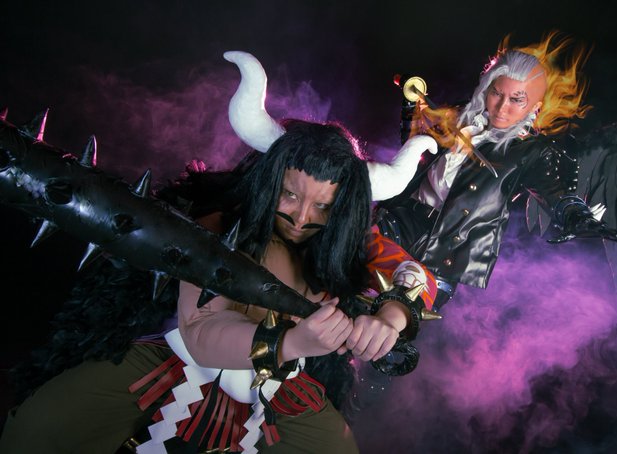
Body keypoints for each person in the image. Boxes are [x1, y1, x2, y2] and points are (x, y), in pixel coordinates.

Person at [0, 53, 439, 453]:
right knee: (40, 432)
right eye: (289, 194)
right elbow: (201, 332)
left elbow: (413, 273)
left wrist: (391, 317)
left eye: (323, 206)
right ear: (269, 181)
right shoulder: (219, 225)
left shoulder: (351, 243)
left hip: (277, 390)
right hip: (178, 363)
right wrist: (292, 342)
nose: (302, 216)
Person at [373, 32, 617, 310]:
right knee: (346, 293)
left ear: (534, 107)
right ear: (486, 88)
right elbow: (413, 156)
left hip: (443, 253)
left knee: (393, 320)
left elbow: (553, 190)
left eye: (517, 100)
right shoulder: (458, 116)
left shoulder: (531, 151)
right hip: (397, 223)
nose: (502, 108)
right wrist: (411, 106)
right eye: (496, 93)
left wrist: (575, 215)